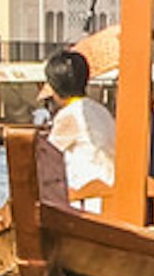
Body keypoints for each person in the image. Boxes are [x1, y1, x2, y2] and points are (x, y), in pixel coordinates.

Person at [39, 48, 113, 207]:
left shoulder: (69, 115)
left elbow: (46, 156)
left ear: (54, 88)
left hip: (88, 201)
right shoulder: (101, 110)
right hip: (110, 195)